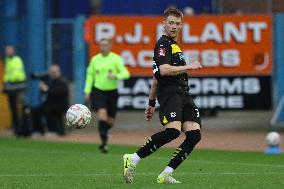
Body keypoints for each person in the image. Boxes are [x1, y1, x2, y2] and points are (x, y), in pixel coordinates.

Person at [123, 7, 202, 184]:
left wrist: (150, 102)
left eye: (178, 23)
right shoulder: (163, 44)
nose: (174, 26)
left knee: (194, 135)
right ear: (164, 24)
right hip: (171, 94)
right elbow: (164, 71)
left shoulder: (174, 46)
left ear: (181, 25)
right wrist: (189, 66)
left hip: (184, 94)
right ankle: (133, 158)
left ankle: (166, 173)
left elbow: (155, 77)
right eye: (171, 23)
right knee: (173, 132)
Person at [84, 38, 130, 153]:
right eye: (101, 45)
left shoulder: (116, 59)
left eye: (105, 45)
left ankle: (105, 132)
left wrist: (115, 76)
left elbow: (126, 73)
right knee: (102, 115)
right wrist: (87, 91)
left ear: (110, 46)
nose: (103, 47)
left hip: (112, 92)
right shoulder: (95, 59)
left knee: (110, 121)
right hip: (98, 90)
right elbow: (90, 76)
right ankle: (104, 144)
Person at [31, 64, 69, 137]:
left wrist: (46, 89)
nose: (53, 74)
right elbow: (44, 93)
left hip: (60, 105)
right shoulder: (50, 81)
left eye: (55, 72)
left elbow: (58, 92)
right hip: (50, 104)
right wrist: (43, 88)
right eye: (52, 72)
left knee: (48, 110)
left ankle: (54, 130)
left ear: (59, 72)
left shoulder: (62, 80)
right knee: (36, 110)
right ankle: (38, 130)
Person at [2, 46, 27, 136]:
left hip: (18, 86)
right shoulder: (7, 60)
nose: (8, 52)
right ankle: (16, 127)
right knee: (13, 108)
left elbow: (16, 74)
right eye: (6, 51)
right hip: (10, 87)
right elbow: (8, 74)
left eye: (9, 50)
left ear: (13, 51)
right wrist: (5, 85)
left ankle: (22, 127)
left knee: (21, 107)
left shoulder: (16, 60)